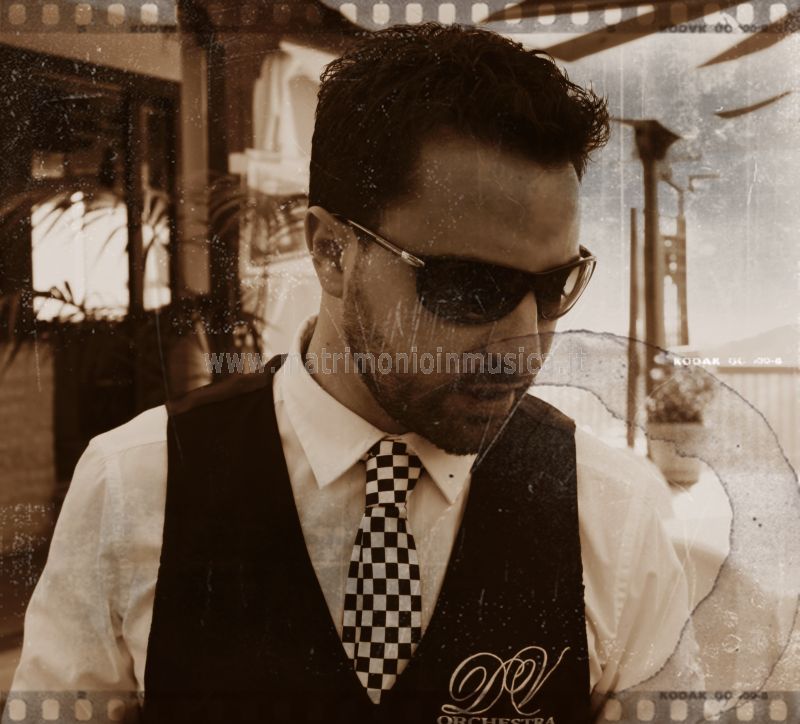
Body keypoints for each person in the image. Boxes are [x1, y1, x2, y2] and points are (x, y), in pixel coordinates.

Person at [6, 23, 695, 723]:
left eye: (554, 287)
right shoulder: (135, 484)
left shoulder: (610, 511)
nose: (524, 346)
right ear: (331, 252)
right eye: (468, 287)